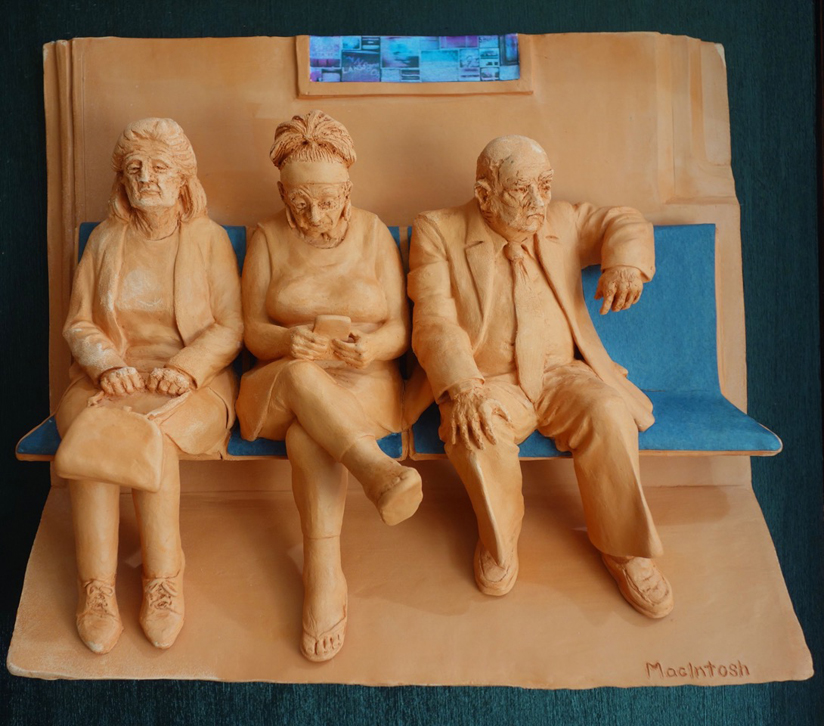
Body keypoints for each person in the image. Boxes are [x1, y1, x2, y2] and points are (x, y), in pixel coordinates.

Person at [406, 135, 674, 618]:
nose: (538, 202)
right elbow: (434, 322)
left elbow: (623, 220)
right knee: (476, 433)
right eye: (520, 189)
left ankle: (625, 549)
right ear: (485, 194)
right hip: (487, 380)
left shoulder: (562, 220)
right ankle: (499, 541)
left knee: (609, 412)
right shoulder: (438, 230)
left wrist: (625, 264)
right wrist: (464, 386)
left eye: (545, 186)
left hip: (560, 374)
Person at [236, 110, 422, 662]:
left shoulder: (374, 232)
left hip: (363, 382)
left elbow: (401, 330)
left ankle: (323, 575)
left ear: (348, 190)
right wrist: (284, 341)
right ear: (282, 194)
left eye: (327, 200)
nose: (315, 215)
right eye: (300, 203)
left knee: (308, 436)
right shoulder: (267, 238)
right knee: (301, 377)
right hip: (279, 383)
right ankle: (376, 470)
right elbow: (250, 330)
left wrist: (374, 347)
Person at [55, 118, 243, 654]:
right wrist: (108, 365)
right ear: (122, 179)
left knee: (150, 438)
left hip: (193, 386)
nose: (146, 178)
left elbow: (230, 326)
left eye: (160, 167)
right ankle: (96, 587)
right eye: (135, 168)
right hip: (107, 382)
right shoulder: (105, 240)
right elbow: (79, 323)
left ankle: (163, 579)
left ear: (183, 178)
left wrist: (184, 368)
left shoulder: (207, 240)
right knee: (96, 439)